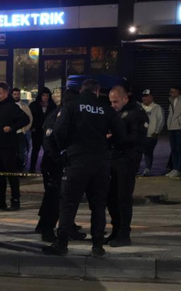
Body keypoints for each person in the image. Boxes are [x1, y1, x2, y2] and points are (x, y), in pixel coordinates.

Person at [43, 79, 126, 257]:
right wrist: (107, 146)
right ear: (97, 91)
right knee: (98, 205)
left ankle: (62, 243)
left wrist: (66, 151)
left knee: (68, 204)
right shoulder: (106, 108)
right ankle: (97, 245)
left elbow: (59, 131)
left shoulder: (72, 106)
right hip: (100, 163)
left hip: (77, 161)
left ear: (81, 90)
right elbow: (121, 135)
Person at [36, 89, 84, 243]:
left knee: (64, 198)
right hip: (53, 164)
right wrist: (60, 159)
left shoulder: (70, 115)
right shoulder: (56, 116)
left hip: (64, 163)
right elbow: (49, 142)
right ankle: (47, 229)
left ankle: (64, 227)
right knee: (54, 198)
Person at [106, 86, 148, 248]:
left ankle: (124, 233)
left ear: (125, 98)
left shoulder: (137, 114)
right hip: (115, 159)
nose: (113, 105)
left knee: (123, 197)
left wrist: (113, 137)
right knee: (111, 197)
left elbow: (136, 139)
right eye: (111, 102)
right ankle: (116, 231)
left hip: (127, 161)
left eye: (115, 101)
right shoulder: (118, 113)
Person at [0, 83, 30, 211]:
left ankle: (15, 200)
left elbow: (25, 120)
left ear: (6, 93)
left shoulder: (12, 107)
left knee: (11, 174)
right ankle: (0, 200)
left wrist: (11, 128)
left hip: (8, 147)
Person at [29, 88, 57, 173]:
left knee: (47, 149)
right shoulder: (34, 105)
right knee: (35, 149)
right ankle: (32, 168)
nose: (45, 97)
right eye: (44, 95)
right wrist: (32, 127)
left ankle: (45, 166)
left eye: (47, 95)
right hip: (37, 130)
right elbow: (30, 117)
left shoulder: (52, 105)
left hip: (47, 131)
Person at [140, 89, 164, 176]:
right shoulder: (139, 107)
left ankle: (147, 169)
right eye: (143, 96)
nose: (144, 98)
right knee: (137, 152)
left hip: (151, 135)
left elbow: (161, 121)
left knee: (148, 153)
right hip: (139, 135)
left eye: (147, 96)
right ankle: (136, 168)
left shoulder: (157, 107)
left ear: (151, 97)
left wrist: (156, 132)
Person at [166, 86, 181, 177]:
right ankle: (174, 168)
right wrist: (169, 124)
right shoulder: (171, 100)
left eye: (172, 92)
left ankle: (179, 169)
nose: (170, 93)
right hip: (172, 128)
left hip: (179, 128)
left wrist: (179, 121)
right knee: (174, 149)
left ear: (178, 92)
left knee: (180, 149)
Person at [12, 88, 33, 171]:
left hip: (21, 132)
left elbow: (30, 119)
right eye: (15, 94)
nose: (17, 96)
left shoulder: (24, 106)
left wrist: (25, 129)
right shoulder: (9, 106)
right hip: (11, 133)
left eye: (18, 94)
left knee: (22, 152)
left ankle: (20, 168)